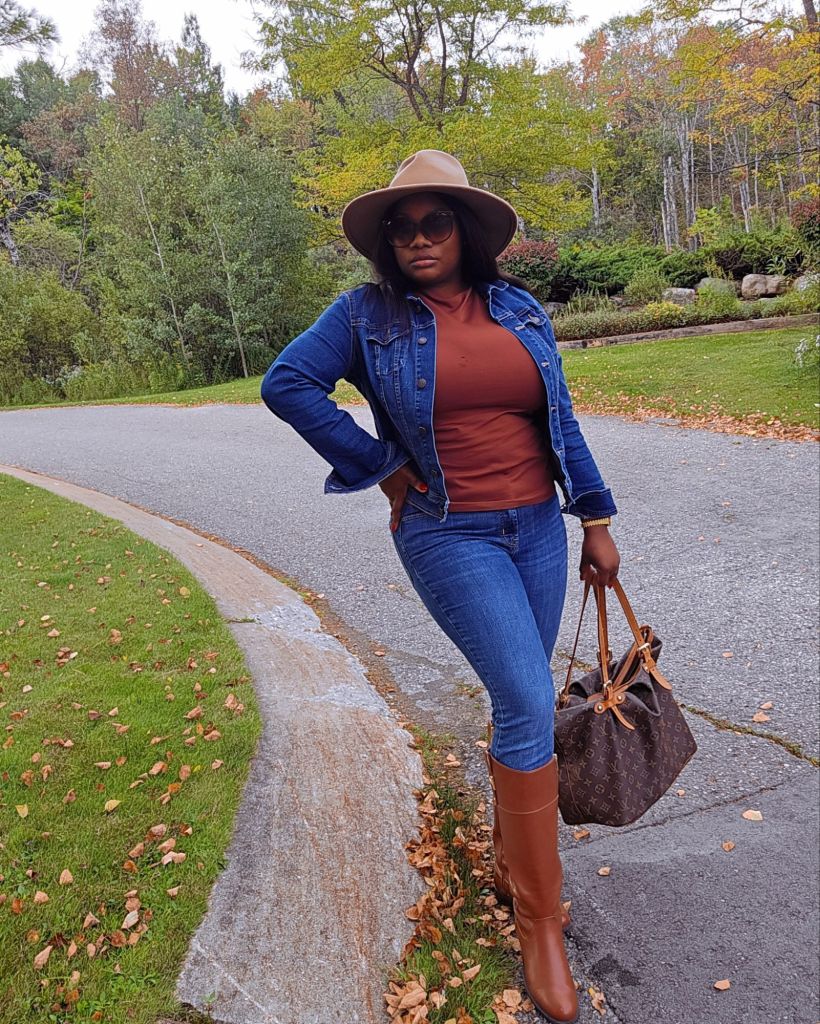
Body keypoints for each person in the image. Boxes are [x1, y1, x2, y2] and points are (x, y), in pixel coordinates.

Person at [260, 149, 620, 1024]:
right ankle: (540, 919)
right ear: (388, 241)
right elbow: (287, 384)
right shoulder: (364, 315)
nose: (419, 237)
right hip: (448, 533)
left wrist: (596, 519)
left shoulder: (520, 309)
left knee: (519, 705)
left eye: (436, 222)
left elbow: (559, 419)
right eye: (404, 226)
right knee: (530, 699)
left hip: (536, 529)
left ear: (466, 233)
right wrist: (381, 467)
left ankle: (512, 858)